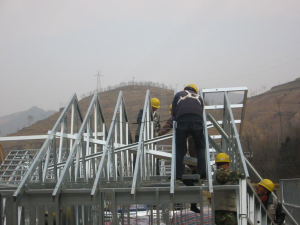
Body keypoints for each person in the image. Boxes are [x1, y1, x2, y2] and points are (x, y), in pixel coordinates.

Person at [159, 104, 200, 213]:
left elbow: (168, 125)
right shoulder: (190, 118)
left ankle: (192, 204)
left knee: (192, 182)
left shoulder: (179, 118)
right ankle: (191, 204)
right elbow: (167, 126)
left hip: (192, 161)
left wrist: (158, 133)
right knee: (190, 182)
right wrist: (158, 133)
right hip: (187, 161)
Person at [171, 83, 206, 180]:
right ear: (195, 90)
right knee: (200, 148)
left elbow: (173, 112)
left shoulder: (178, 94)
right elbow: (201, 112)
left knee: (180, 149)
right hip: (197, 121)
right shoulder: (199, 97)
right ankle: (202, 172)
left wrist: (176, 119)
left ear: (185, 89)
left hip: (182, 120)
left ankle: (178, 175)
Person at [213, 153, 245, 225]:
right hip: (228, 212)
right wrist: (242, 175)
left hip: (218, 210)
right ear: (228, 164)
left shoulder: (214, 175)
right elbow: (222, 176)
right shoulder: (223, 174)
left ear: (216, 164)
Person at [133, 98, 161, 171]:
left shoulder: (157, 115)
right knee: (137, 153)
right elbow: (139, 119)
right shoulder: (142, 111)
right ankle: (135, 171)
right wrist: (147, 121)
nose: (155, 109)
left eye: (156, 108)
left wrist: (157, 128)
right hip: (140, 136)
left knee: (155, 153)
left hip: (152, 137)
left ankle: (157, 172)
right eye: (154, 107)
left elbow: (158, 125)